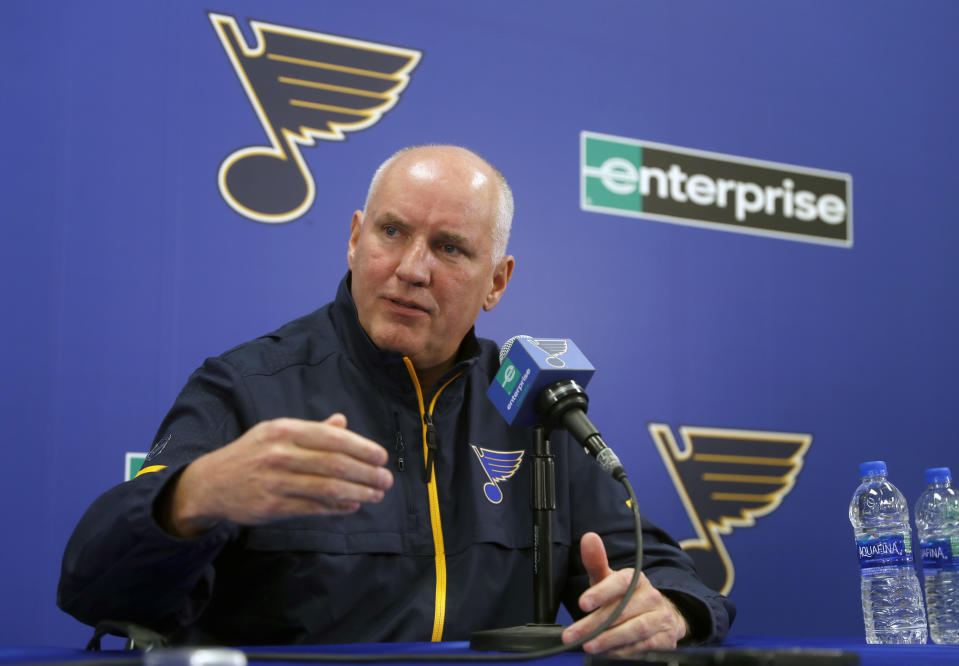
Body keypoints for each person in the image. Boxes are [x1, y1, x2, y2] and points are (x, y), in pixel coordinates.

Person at [58, 145, 734, 654]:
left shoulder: (532, 404)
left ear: (496, 282)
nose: (412, 269)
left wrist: (673, 609)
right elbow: (93, 588)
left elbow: (663, 570)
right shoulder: (249, 386)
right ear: (354, 239)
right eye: (391, 232)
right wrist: (190, 498)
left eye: (448, 247)